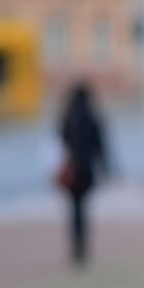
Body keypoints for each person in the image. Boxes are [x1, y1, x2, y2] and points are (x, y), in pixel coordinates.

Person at [57, 81, 108, 267]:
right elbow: (101, 146)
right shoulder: (92, 117)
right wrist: (106, 168)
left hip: (72, 169)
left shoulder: (67, 117)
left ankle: (76, 245)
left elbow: (59, 140)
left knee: (74, 209)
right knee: (84, 208)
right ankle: (83, 245)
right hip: (86, 170)